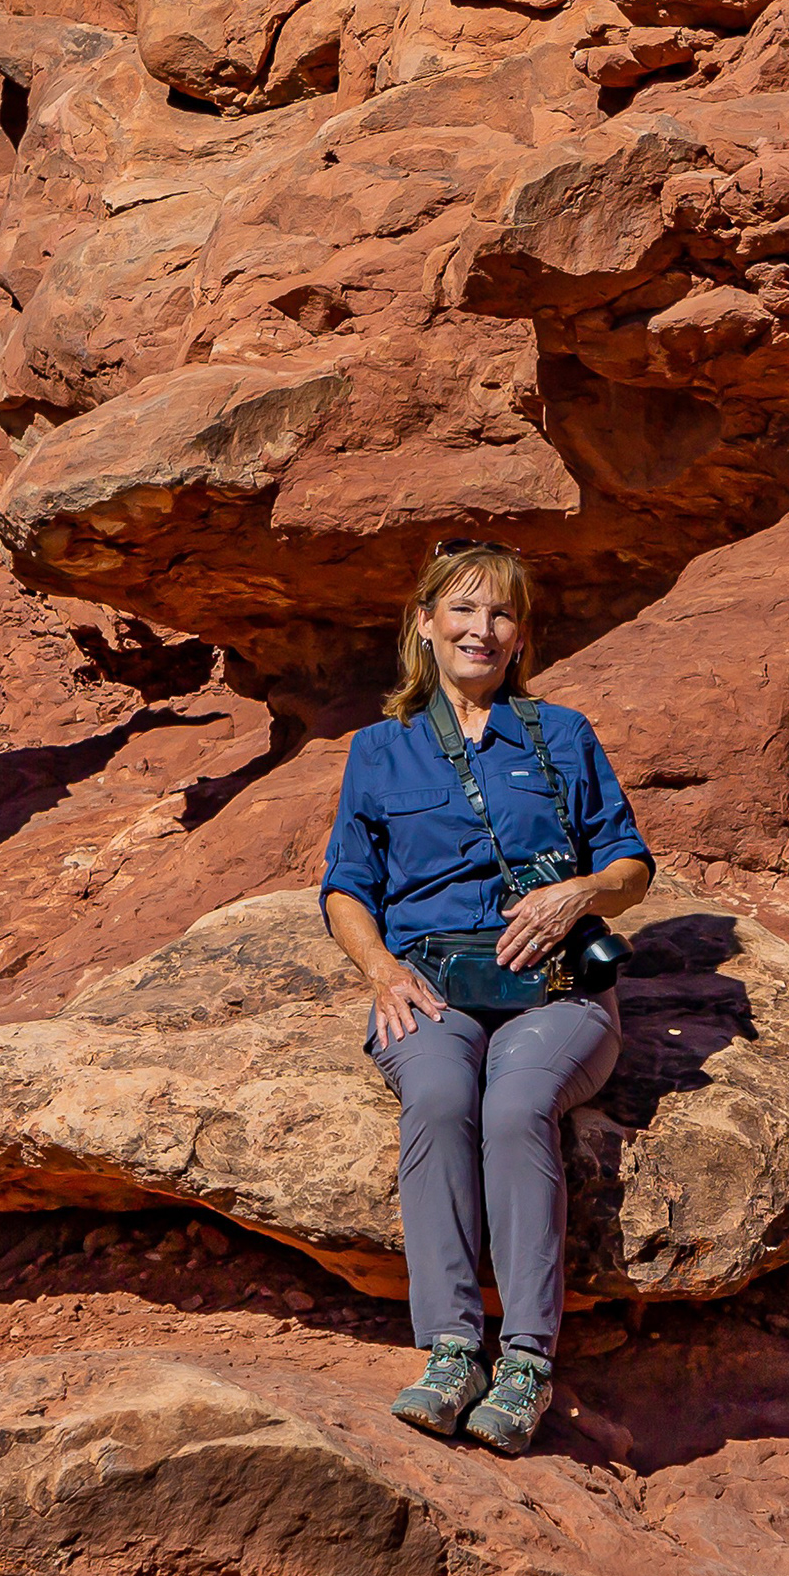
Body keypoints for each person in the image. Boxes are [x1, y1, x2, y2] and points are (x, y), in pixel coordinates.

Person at [319, 544, 654, 1459]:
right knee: (435, 1095)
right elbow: (346, 886)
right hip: (432, 980)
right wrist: (382, 971)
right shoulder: (379, 750)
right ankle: (452, 1348)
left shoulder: (562, 734)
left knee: (515, 1106)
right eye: (463, 611)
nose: (482, 631)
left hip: (556, 989)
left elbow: (630, 864)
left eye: (502, 615)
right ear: (424, 623)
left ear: (520, 636)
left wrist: (576, 895)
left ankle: (528, 1361)